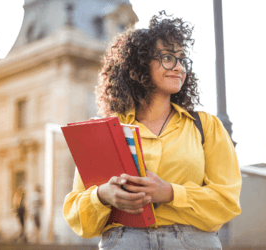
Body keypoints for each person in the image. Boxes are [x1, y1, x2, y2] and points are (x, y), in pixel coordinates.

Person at [63, 11, 242, 250]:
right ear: (140, 64)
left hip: (192, 243)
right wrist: (103, 195)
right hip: (125, 241)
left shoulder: (206, 126)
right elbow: (77, 216)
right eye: (168, 57)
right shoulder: (106, 131)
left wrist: (169, 193)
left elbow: (227, 202)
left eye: (182, 59)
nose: (179, 67)